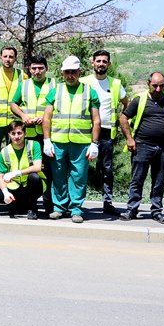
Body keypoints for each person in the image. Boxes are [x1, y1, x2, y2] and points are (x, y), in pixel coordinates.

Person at [118, 73, 164, 224]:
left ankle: (156, 211)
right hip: (142, 147)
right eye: (155, 85)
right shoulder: (140, 99)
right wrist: (129, 139)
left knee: (159, 181)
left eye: (161, 85)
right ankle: (132, 210)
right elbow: (123, 118)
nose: (158, 89)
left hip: (163, 148)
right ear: (148, 83)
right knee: (137, 180)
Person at [43, 56, 101, 223]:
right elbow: (46, 118)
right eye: (67, 72)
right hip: (58, 141)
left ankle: (76, 208)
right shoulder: (55, 91)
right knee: (58, 175)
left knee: (78, 176)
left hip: (81, 142)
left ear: (79, 72)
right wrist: (47, 140)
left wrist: (94, 144)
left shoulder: (90, 92)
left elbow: (96, 120)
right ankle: (59, 207)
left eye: (73, 72)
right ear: (62, 73)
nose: (70, 75)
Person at [79, 49, 129, 216]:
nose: (101, 64)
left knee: (107, 168)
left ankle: (108, 203)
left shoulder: (115, 84)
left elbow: (125, 103)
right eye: (98, 61)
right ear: (92, 63)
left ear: (109, 64)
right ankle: (76, 204)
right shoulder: (83, 82)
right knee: (80, 167)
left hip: (107, 132)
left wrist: (123, 119)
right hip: (85, 130)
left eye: (104, 61)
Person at [8, 54, 54, 213]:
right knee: (28, 170)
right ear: (29, 69)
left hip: (46, 135)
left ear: (46, 69)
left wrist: (46, 117)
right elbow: (13, 103)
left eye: (41, 68)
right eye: (34, 68)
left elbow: (60, 107)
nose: (37, 71)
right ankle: (29, 204)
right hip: (28, 135)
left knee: (48, 170)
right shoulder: (24, 85)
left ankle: (49, 205)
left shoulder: (54, 84)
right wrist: (23, 116)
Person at [0, 46, 26, 197]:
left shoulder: (23, 75)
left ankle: (12, 188)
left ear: (15, 58)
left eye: (11, 56)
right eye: (5, 56)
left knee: (14, 158)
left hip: (15, 124)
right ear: (0, 58)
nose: (8, 59)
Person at [0, 120, 44, 220]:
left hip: (32, 185)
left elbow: (37, 167)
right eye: (13, 133)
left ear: (25, 134)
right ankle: (18, 204)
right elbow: (0, 177)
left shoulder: (34, 145)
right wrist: (5, 193)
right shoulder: (4, 152)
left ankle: (32, 208)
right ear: (9, 134)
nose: (16, 136)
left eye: (19, 133)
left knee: (34, 177)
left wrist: (16, 173)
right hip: (14, 186)